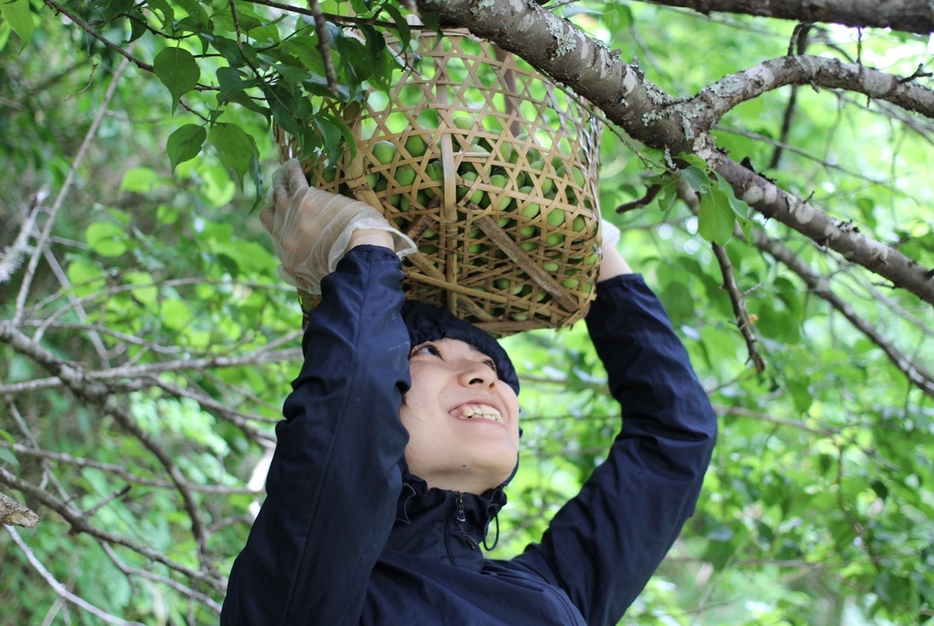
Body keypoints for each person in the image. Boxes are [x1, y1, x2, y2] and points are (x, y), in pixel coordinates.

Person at [221, 159, 718, 626]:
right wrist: (365, 246)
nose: (486, 378)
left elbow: (675, 436)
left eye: (491, 368)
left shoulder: (549, 594)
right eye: (430, 354)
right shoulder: (306, 585)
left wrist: (593, 248)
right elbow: (344, 428)